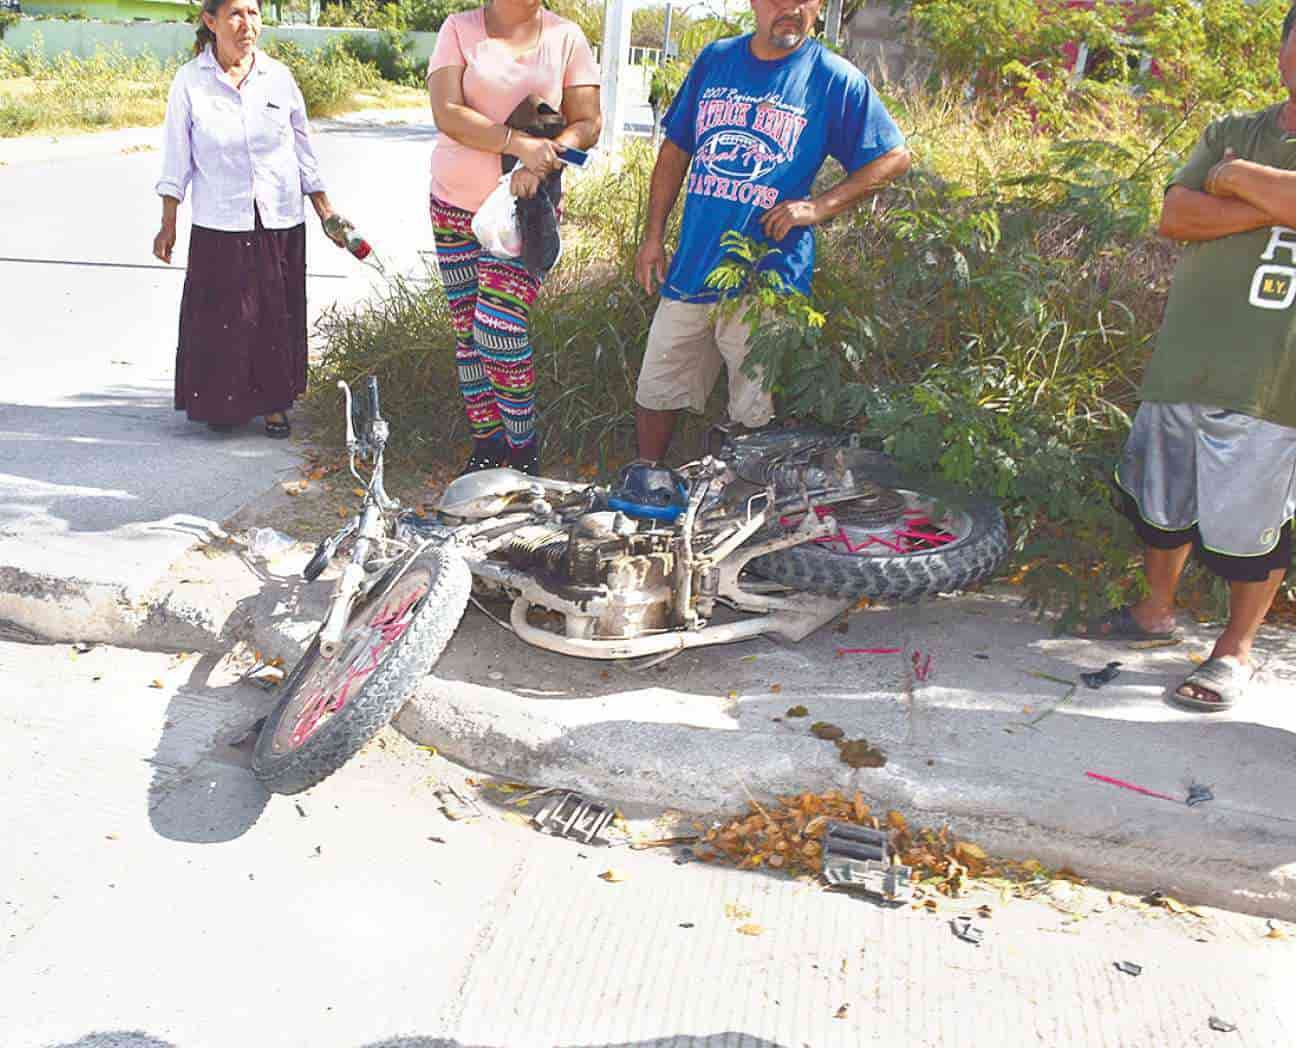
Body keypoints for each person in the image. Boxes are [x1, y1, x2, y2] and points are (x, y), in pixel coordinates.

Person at [1077, 8, 1296, 710]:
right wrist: (1275, 201)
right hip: (1187, 356)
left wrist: (1236, 183)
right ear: (1284, 48)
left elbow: (1211, 202)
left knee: (1251, 525)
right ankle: (1156, 612)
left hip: (1273, 376)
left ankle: (1233, 652)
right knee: (1160, 501)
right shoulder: (1233, 130)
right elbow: (1177, 216)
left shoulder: (1235, 156)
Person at [632, 0, 910, 463]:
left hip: (769, 280)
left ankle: (741, 505)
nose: (791, 9)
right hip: (693, 266)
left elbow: (894, 156)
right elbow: (675, 150)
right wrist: (653, 237)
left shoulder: (832, 77)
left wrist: (819, 206)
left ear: (819, 7)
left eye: (804, 0)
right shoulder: (716, 59)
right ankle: (647, 480)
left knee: (755, 411)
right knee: (657, 388)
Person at [153, 0, 348, 438]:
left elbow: (302, 148)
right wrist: (169, 220)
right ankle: (225, 406)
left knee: (276, 311)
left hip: (279, 215)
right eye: (236, 14)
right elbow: (176, 155)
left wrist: (325, 210)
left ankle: (276, 405)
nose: (247, 24)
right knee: (227, 315)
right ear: (211, 21)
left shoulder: (277, 77)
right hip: (220, 219)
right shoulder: (190, 81)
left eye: (254, 13)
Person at [426, 0, 602, 476]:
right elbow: (447, 112)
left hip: (525, 208)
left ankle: (522, 450)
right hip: (453, 203)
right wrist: (516, 143)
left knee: (497, 328)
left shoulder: (566, 37)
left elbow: (588, 122)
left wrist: (543, 157)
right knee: (468, 332)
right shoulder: (457, 29)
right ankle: (487, 446)